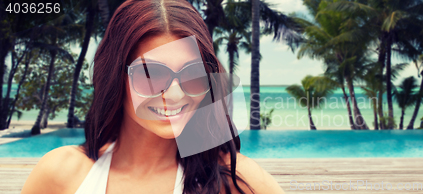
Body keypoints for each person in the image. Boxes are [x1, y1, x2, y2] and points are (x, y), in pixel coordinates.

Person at [21, 0, 284, 193]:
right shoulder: (60, 174)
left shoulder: (236, 180)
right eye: (151, 74)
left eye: (193, 74)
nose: (175, 93)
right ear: (116, 77)